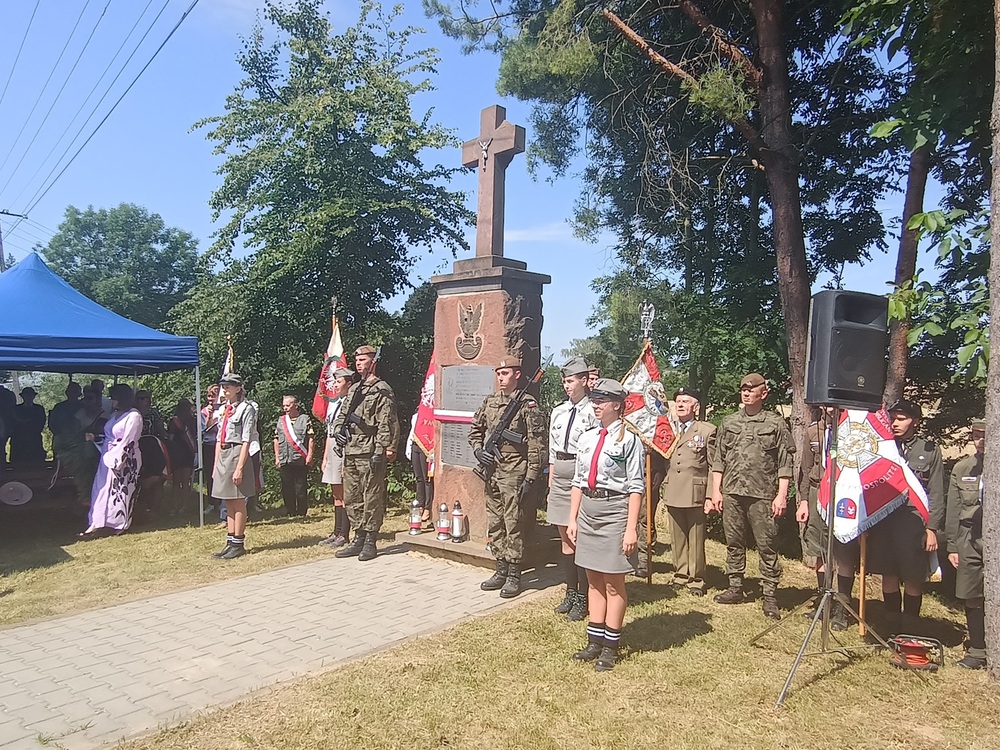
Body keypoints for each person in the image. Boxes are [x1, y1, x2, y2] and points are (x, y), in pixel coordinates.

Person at [567, 378, 644, 671]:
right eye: (594, 400)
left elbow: (636, 486)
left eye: (601, 401)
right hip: (589, 510)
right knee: (593, 581)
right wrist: (573, 518)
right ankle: (594, 640)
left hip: (615, 511)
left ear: (616, 404)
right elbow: (577, 481)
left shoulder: (628, 439)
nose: (596, 405)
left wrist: (631, 527)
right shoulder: (587, 438)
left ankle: (611, 647)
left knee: (613, 582)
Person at [710, 373, 793, 620]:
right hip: (733, 492)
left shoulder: (775, 423)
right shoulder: (729, 422)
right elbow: (718, 459)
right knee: (734, 541)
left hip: (763, 495)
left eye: (751, 390)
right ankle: (735, 587)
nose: (746, 393)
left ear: (763, 394)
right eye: (743, 390)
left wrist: (781, 495)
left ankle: (770, 595)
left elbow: (785, 463)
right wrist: (717, 490)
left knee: (767, 545)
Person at [469, 357, 546, 598]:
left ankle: (514, 574)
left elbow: (537, 444)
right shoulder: (490, 401)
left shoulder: (527, 404)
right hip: (492, 470)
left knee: (514, 523)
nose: (501, 378)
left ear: (517, 375)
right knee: (495, 521)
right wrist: (479, 451)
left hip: (514, 471)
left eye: (505, 373)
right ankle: (500, 567)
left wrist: (531, 477)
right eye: (498, 373)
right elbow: (475, 430)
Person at [866, 399, 943, 635]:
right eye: (893, 418)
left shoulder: (928, 450)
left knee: (912, 576)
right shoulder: (884, 448)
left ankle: (910, 626)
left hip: (913, 522)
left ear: (915, 422)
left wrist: (932, 528)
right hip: (885, 519)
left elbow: (937, 492)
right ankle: (891, 624)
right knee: (888, 572)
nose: (895, 423)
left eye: (902, 418)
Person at [332, 346, 399, 562]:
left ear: (373, 362)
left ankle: (371, 539)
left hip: (370, 449)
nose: (359, 363)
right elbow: (342, 415)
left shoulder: (382, 389)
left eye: (363, 360)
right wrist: (338, 433)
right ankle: (358, 537)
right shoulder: (354, 390)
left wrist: (380, 451)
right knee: (352, 497)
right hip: (351, 449)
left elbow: (386, 424)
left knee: (371, 496)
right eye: (357, 360)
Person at [547, 356, 598, 620]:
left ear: (583, 381)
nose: (567, 386)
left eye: (571, 381)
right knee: (564, 537)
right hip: (561, 472)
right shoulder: (559, 411)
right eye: (564, 381)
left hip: (581, 472)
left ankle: (584, 595)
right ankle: (570, 590)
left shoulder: (593, 411)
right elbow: (552, 450)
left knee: (578, 536)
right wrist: (551, 478)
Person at [660, 387, 716, 596]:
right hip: (674, 487)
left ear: (696, 406)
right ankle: (680, 573)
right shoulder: (668, 430)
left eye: (686, 401)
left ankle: (697, 578)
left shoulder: (706, 430)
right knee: (677, 536)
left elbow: (713, 465)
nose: (681, 405)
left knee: (696, 536)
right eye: (678, 402)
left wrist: (711, 495)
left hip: (695, 491)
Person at [947, 419, 986, 669]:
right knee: (971, 594)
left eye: (985, 435)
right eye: (975, 435)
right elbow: (954, 509)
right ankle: (978, 650)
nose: (979, 440)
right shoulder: (963, 469)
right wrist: (952, 545)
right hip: (969, 539)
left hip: (991, 537)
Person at [80, 384, 143, 538]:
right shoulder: (115, 415)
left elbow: (129, 440)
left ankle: (120, 524)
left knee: (121, 492)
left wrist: (117, 460)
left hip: (125, 460)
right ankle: (97, 522)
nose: (112, 401)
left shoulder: (134, 416)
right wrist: (95, 439)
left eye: (114, 398)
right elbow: (109, 437)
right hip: (107, 457)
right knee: (101, 490)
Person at [211, 373, 258, 559]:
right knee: (228, 499)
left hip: (237, 451)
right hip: (223, 452)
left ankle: (238, 541)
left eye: (229, 385)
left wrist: (240, 467)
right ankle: (230, 541)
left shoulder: (247, 408)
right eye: (224, 386)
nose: (225, 389)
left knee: (237, 499)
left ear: (238, 388)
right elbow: (217, 437)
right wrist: (216, 463)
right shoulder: (224, 409)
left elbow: (247, 439)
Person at [318, 367, 354, 547]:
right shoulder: (334, 403)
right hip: (332, 447)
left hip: (344, 447)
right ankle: (337, 530)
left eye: (339, 382)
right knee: (335, 492)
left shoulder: (351, 402)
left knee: (345, 491)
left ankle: (344, 533)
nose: (335, 385)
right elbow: (329, 432)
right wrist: (325, 456)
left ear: (348, 383)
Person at [273, 395, 315, 517]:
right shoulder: (281, 421)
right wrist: (277, 457)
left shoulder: (305, 419)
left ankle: (302, 511)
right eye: (284, 405)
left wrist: (310, 455)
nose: (285, 408)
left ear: (295, 405)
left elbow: (311, 438)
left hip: (299, 458)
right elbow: (276, 439)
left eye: (288, 405)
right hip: (284, 458)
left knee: (300, 486)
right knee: (286, 486)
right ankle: (290, 511)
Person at [167, 399, 198, 513]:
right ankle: (185, 506)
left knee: (176, 482)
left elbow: (170, 438)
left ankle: (174, 506)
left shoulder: (174, 421)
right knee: (186, 481)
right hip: (189, 452)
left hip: (177, 452)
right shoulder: (192, 420)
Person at [406, 412, 434, 526]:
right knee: (419, 479)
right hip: (415, 444)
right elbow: (412, 431)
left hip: (426, 446)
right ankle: (419, 505)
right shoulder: (417, 414)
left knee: (427, 478)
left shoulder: (430, 413)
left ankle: (428, 508)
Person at [10, 387, 47, 467]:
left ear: (33, 396)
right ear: (23, 396)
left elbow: (41, 423)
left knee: (36, 464)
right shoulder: (16, 409)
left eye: (30, 395)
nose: (28, 397)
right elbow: (13, 424)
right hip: (19, 442)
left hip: (34, 440)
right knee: (18, 465)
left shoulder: (39, 409)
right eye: (26, 395)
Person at [49, 381, 83, 460]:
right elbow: (52, 424)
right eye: (70, 392)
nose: (72, 394)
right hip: (61, 439)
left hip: (78, 441)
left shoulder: (83, 407)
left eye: (74, 392)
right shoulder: (59, 407)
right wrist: (61, 433)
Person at [200, 385, 222, 502]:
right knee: (210, 474)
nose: (210, 399)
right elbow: (206, 429)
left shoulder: (224, 410)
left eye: (213, 396)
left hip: (221, 444)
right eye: (208, 396)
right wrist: (209, 415)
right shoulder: (203, 411)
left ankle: (222, 500)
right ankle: (212, 502)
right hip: (209, 445)